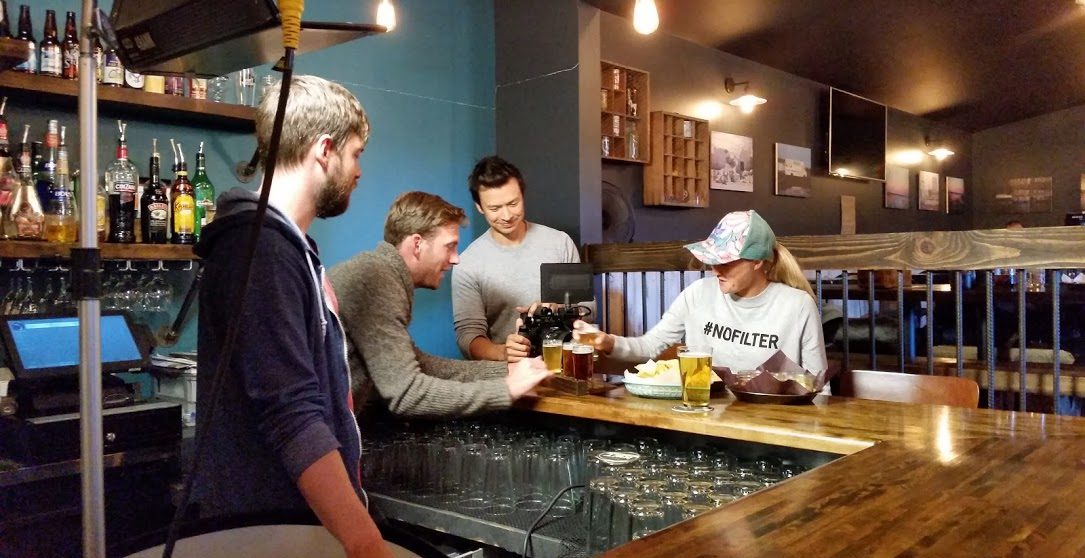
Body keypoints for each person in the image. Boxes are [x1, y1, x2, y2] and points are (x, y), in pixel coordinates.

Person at [194, 75, 392, 558]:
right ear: (324, 150)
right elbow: (291, 414)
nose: (359, 170)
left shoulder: (289, 249)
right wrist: (365, 541)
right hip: (266, 531)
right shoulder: (260, 248)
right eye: (356, 153)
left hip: (290, 523)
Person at [329, 191, 551, 418]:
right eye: (450, 246)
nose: (456, 258)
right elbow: (407, 393)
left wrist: (505, 370)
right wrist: (507, 389)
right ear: (417, 244)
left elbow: (419, 363)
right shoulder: (374, 280)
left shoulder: (382, 272)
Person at [575, 209, 828, 373]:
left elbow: (819, 385)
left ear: (757, 261)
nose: (715, 270)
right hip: (706, 415)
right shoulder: (698, 293)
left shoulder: (797, 306)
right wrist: (607, 342)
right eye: (713, 261)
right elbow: (651, 345)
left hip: (773, 424)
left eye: (726, 262)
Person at [452, 155, 581, 362]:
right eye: (494, 208)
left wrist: (557, 310)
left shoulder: (559, 243)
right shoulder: (469, 263)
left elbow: (589, 310)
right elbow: (468, 336)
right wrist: (503, 352)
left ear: (523, 195)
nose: (506, 215)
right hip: (508, 374)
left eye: (513, 203)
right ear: (479, 206)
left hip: (565, 364)